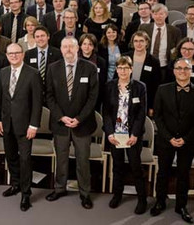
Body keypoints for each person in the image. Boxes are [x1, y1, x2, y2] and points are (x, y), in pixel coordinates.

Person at [45, 37, 99, 209]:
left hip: (82, 124)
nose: (68, 49)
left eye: (71, 46)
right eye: (65, 46)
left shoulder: (89, 68)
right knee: (61, 159)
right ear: (60, 49)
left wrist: (79, 118)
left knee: (83, 161)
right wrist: (61, 117)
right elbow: (49, 96)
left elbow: (93, 98)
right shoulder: (53, 68)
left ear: (78, 49)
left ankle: (85, 193)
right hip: (60, 124)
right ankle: (60, 188)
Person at [0, 43, 43, 211]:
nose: (14, 56)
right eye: (10, 53)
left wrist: (34, 125)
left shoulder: (33, 74)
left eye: (17, 53)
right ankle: (15, 184)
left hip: (25, 126)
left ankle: (26, 194)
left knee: (25, 159)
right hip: (6, 123)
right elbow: (1, 99)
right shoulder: (3, 72)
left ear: (22, 55)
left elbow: (37, 103)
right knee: (11, 157)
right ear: (7, 56)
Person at [102, 56, 148, 214]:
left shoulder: (140, 87)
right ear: (116, 70)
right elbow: (106, 112)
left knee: (136, 167)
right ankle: (117, 195)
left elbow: (141, 114)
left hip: (132, 135)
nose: (123, 71)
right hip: (115, 134)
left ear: (131, 69)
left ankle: (142, 199)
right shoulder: (109, 86)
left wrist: (135, 134)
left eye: (126, 68)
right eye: (120, 68)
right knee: (117, 166)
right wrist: (109, 133)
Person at [151, 58, 194, 223]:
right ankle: (160, 202)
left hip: (188, 142)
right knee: (163, 172)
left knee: (183, 174)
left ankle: (181, 206)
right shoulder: (162, 89)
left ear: (190, 71)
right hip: (165, 140)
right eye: (179, 68)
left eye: (186, 68)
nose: (182, 71)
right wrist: (169, 138)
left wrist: (186, 138)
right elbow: (158, 117)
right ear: (174, 71)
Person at [122, 31, 161, 117]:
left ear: (147, 42)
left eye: (141, 41)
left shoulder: (154, 61)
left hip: (145, 99)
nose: (138, 44)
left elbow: (156, 86)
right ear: (132, 43)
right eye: (136, 41)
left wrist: (152, 106)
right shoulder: (125, 57)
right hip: (125, 97)